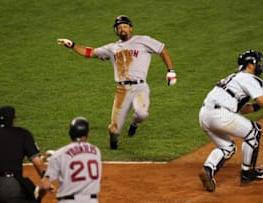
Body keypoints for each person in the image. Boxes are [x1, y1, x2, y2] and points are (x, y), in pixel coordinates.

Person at [57, 15, 177, 150]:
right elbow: (90, 52)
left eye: (125, 26)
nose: (122, 29)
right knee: (114, 130)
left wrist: (170, 71)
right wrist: (72, 45)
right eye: (119, 27)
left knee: (142, 113)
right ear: (116, 31)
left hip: (140, 87)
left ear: (131, 28)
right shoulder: (112, 48)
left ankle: (134, 124)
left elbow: (162, 51)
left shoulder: (143, 40)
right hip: (122, 90)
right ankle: (113, 143)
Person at [198, 50, 263, 192]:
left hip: (204, 115)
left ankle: (207, 170)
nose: (260, 66)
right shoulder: (248, 78)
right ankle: (247, 173)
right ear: (250, 64)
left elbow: (245, 109)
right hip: (220, 115)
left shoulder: (235, 78)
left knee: (227, 147)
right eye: (258, 63)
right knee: (254, 131)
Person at [37, 117, 102, 203]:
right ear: (88, 134)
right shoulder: (96, 152)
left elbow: (45, 186)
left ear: (70, 134)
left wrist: (38, 196)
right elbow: (81, 153)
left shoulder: (59, 155)